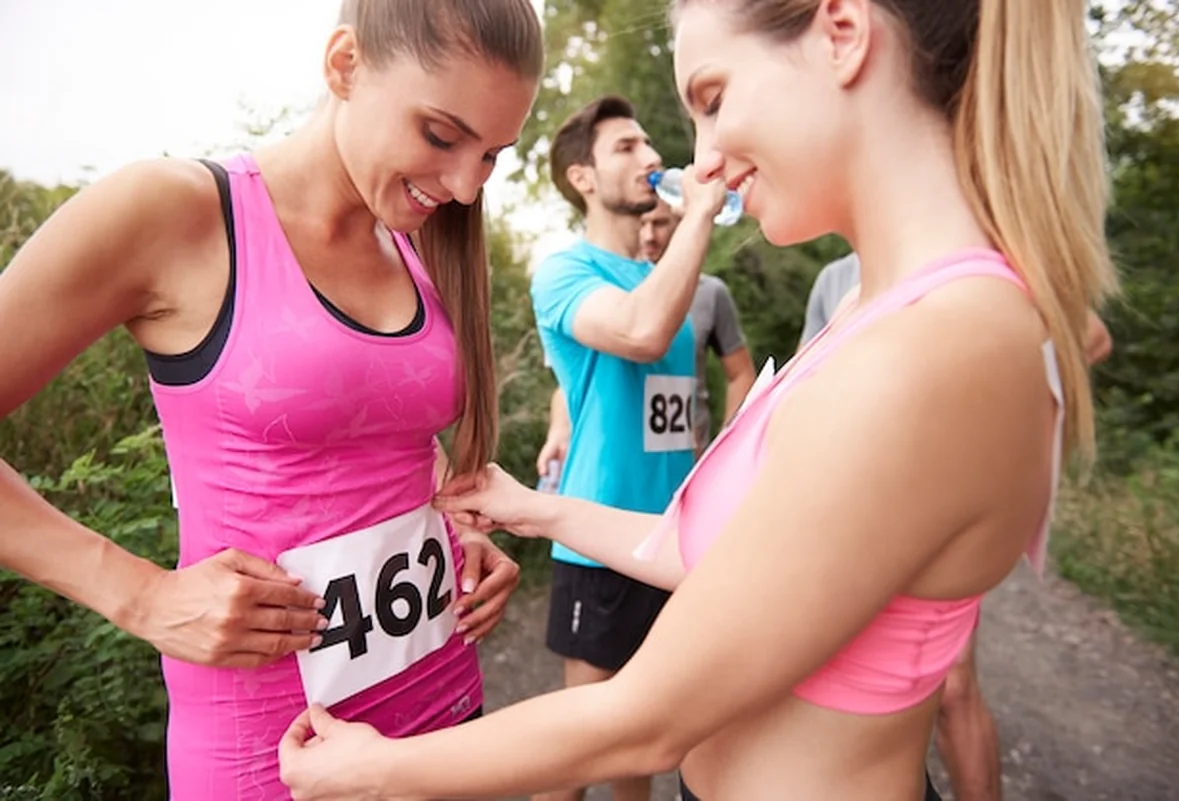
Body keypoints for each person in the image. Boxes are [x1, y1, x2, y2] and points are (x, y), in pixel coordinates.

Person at [278, 1, 1119, 799]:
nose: (703, 157)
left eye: (713, 100)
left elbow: (647, 718)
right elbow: (725, 559)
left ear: (841, 33)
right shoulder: (878, 313)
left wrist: (378, 769)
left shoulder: (931, 350)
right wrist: (536, 509)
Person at [0, 1, 542, 798]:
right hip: (274, 762)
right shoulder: (174, 210)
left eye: (492, 155)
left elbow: (380, 440)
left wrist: (449, 529)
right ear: (344, 65)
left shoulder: (413, 234)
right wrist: (142, 594)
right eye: (440, 135)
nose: (465, 185)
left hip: (446, 727)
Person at [800, 252, 1114, 801]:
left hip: (935, 503)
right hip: (854, 507)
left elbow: (1091, 334)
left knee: (954, 687)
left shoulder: (969, 255)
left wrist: (994, 398)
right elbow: (808, 381)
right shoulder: (835, 278)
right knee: (864, 678)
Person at [528, 94, 729, 801]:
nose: (651, 158)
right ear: (582, 178)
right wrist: (700, 213)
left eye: (650, 144)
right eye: (626, 148)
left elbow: (600, 372)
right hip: (599, 538)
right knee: (580, 747)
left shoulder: (662, 279)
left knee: (647, 738)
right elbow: (633, 335)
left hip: (674, 539)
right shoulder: (562, 271)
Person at [538, 198, 754, 475]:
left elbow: (741, 374)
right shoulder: (598, 291)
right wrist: (559, 427)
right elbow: (571, 380)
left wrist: (725, 450)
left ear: (678, 223)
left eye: (660, 223)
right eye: (642, 224)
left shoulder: (711, 293)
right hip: (611, 466)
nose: (650, 236)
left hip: (686, 466)